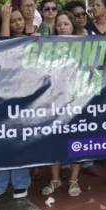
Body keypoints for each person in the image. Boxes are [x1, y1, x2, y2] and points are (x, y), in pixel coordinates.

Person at [0, 3, 32, 201]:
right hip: (2, 99)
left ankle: (21, 182)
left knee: (20, 141)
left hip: (26, 99)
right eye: (12, 21)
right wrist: (5, 20)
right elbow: (3, 50)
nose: (17, 24)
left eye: (19, 19)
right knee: (1, 142)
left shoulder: (32, 41)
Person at [42, 11, 84, 198]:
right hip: (55, 101)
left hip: (77, 100)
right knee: (55, 141)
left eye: (65, 23)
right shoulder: (48, 46)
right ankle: (55, 179)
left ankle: (74, 179)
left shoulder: (85, 46)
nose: (62, 27)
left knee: (77, 141)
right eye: (59, 24)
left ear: (73, 25)